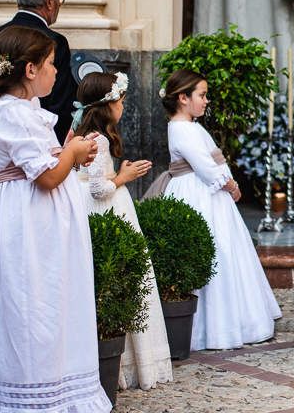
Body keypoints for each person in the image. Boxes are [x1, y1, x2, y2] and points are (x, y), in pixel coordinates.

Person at [0, 26, 110, 411]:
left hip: (44, 226)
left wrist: (71, 150)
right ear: (29, 70)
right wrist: (72, 155)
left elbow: (46, 161)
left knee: (55, 303)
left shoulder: (28, 111)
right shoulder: (11, 112)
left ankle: (61, 384)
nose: (57, 71)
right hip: (28, 226)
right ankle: (34, 395)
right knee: (32, 306)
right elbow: (46, 177)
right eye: (49, 63)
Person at [153, 69, 281, 351]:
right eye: (202, 95)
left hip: (208, 193)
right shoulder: (181, 128)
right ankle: (211, 328)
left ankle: (237, 319)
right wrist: (230, 184)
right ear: (183, 98)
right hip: (199, 192)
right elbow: (205, 166)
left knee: (227, 250)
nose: (206, 100)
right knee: (216, 251)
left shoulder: (192, 126)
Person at [73, 71, 173, 390]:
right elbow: (99, 188)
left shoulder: (82, 134)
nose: (124, 105)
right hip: (106, 209)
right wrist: (124, 176)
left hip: (95, 211)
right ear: (107, 105)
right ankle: (128, 362)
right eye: (120, 99)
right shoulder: (99, 140)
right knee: (125, 280)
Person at [0, 0, 76, 142]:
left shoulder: (0, 34)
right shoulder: (55, 41)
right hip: (39, 138)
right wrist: (57, 150)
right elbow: (60, 102)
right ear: (49, 2)